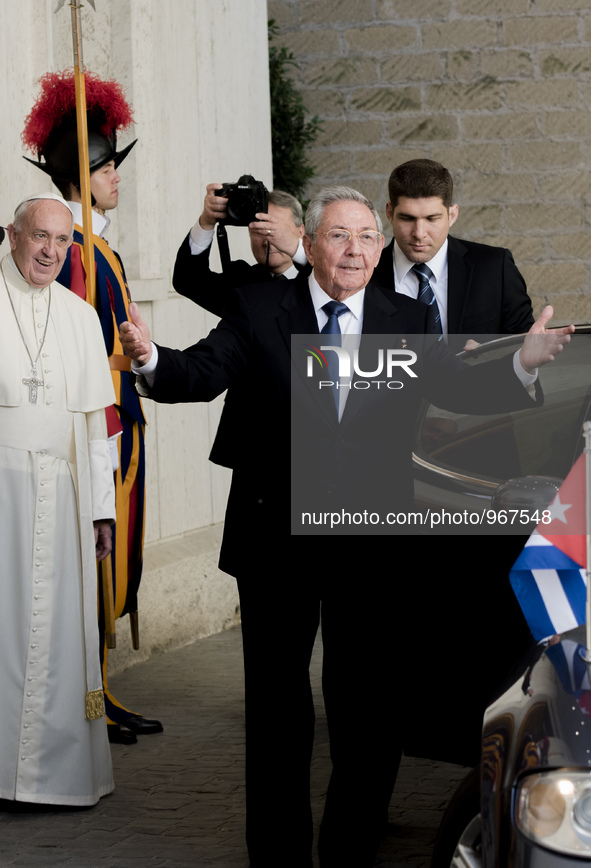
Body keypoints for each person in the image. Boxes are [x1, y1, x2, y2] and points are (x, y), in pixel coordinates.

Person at [120, 186, 571, 868]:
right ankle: (277, 857)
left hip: (369, 548)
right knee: (277, 716)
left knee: (365, 717)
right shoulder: (260, 308)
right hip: (275, 544)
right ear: (309, 245)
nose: (355, 249)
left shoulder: (409, 317)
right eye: (338, 236)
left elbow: (456, 390)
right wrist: (152, 359)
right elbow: (203, 371)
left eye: (365, 236)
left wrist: (519, 362)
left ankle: (348, 853)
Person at [21, 70, 162, 745]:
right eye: (107, 167)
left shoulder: (96, 243)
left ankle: (99, 689)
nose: (116, 177)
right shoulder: (73, 249)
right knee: (94, 562)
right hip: (100, 418)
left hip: (119, 412)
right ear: (83, 174)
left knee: (110, 564)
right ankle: (89, 698)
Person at [0, 193, 116, 805]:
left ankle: (51, 776)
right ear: (12, 235)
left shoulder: (79, 314)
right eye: (38, 236)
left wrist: (102, 509)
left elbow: (96, 425)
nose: (50, 251)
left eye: (62, 241)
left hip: (63, 498)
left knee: (55, 637)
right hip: (3, 499)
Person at [371, 158, 534, 347]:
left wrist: (491, 361)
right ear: (389, 213)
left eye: (432, 219)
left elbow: (526, 356)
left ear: (452, 215)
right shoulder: (363, 276)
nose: (419, 233)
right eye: (407, 218)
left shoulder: (495, 268)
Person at [173, 184, 309, 316]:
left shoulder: (320, 277)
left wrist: (297, 250)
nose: (269, 240)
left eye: (276, 230)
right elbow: (188, 280)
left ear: (301, 232)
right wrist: (206, 222)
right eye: (259, 230)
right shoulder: (242, 284)